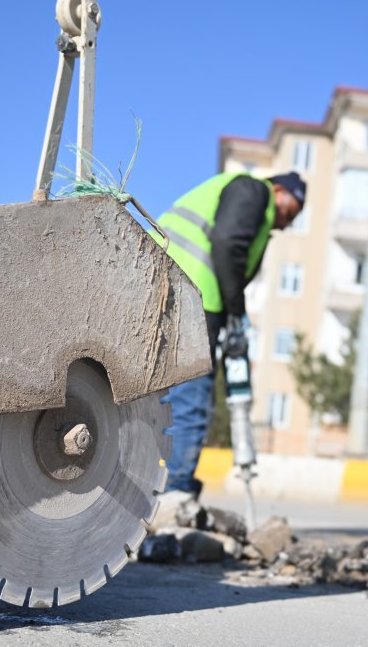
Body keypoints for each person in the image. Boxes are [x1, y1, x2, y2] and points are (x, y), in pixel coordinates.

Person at [155, 171, 306, 496]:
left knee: (165, 394)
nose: (285, 223)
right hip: (192, 294)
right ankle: (175, 490)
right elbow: (227, 242)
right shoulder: (254, 192)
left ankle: (163, 484)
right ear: (278, 190)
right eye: (289, 212)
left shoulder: (247, 196)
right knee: (191, 393)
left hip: (170, 285)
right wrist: (236, 312)